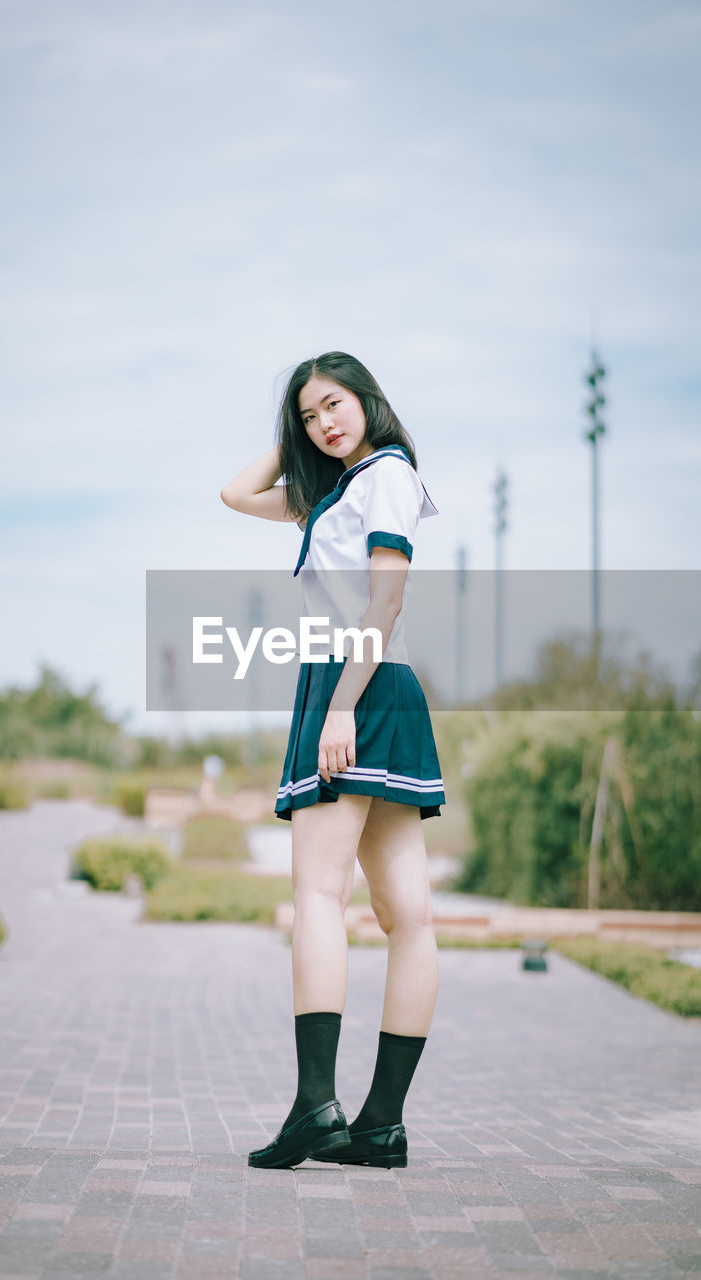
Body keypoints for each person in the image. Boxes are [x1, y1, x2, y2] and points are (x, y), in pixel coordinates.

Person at [220, 351, 445, 1170]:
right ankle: (380, 1124)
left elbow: (387, 597)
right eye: (310, 416)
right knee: (405, 914)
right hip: (384, 682)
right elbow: (236, 495)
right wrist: (295, 436)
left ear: (367, 399)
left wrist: (340, 707)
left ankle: (317, 1105)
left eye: (335, 404)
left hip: (354, 678)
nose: (325, 424)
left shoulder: (383, 474)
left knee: (318, 893)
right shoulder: (344, 488)